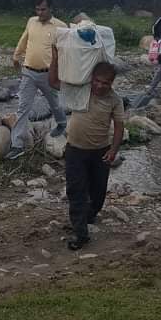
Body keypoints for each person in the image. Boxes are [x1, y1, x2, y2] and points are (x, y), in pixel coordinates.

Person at [50, 60, 124, 251]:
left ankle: (88, 216)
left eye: (105, 83)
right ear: (91, 78)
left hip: (101, 152)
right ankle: (80, 233)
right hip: (75, 150)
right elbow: (53, 82)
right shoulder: (80, 91)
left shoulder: (115, 100)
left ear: (112, 83)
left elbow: (119, 126)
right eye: (97, 81)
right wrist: (55, 57)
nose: (100, 86)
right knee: (76, 191)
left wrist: (113, 150)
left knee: (98, 193)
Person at [6, 0, 68, 160]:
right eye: (37, 9)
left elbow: (66, 52)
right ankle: (16, 145)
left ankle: (61, 123)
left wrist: (64, 72)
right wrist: (16, 56)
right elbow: (24, 38)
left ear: (50, 9)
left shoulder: (61, 27)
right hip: (29, 72)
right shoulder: (31, 22)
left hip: (49, 74)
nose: (40, 13)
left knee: (54, 103)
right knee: (23, 108)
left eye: (43, 9)